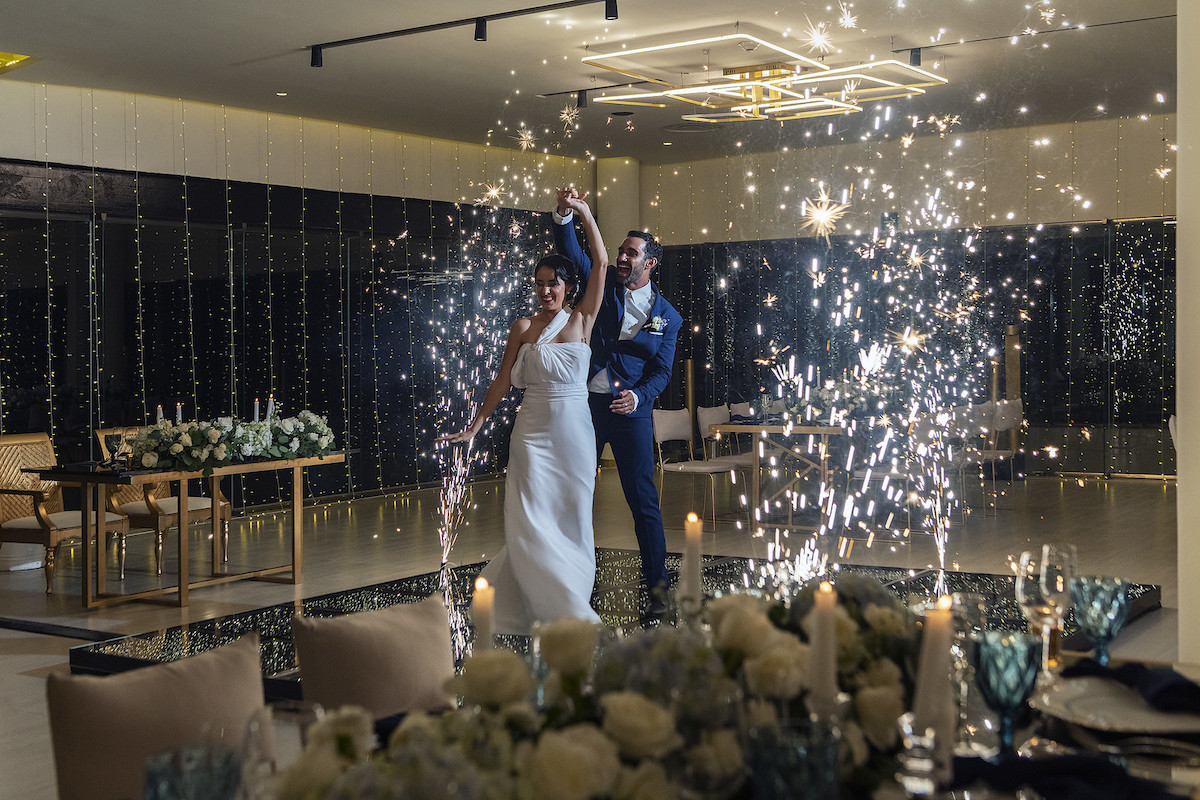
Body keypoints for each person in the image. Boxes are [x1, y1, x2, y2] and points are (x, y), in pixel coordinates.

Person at [441, 193, 608, 635]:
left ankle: (569, 594)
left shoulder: (583, 320)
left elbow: (603, 261)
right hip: (531, 433)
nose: (546, 290)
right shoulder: (522, 327)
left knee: (572, 512)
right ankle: (537, 594)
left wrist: (583, 214)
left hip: (574, 433)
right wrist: (476, 424)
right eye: (539, 284)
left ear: (568, 286)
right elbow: (500, 382)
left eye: (554, 283)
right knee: (530, 514)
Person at [552, 188, 683, 617]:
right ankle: (568, 583)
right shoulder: (604, 281)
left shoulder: (669, 316)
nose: (622, 258)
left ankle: (659, 592)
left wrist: (639, 395)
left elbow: (661, 371)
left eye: (631, 253)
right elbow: (573, 250)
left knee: (643, 502)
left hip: (632, 415)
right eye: (621, 251)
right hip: (586, 410)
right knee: (573, 494)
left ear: (650, 263)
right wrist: (564, 214)